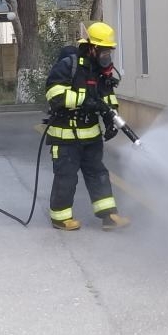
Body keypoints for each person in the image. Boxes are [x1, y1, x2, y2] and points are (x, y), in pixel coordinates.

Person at [44, 21, 131, 231]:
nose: (106, 55)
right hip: (65, 135)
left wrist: (111, 118)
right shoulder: (69, 65)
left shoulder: (101, 71)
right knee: (67, 177)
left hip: (90, 135)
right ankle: (60, 217)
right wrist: (84, 101)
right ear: (92, 47)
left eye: (109, 51)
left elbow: (107, 95)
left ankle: (109, 215)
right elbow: (53, 93)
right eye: (103, 50)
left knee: (98, 174)